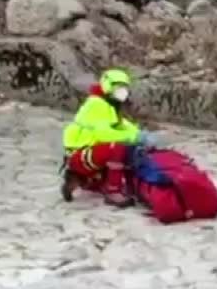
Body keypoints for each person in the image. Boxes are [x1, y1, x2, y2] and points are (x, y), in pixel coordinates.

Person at [61, 68, 159, 208]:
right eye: (119, 87)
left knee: (126, 149)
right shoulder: (97, 105)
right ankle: (113, 192)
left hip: (89, 151)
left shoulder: (109, 105)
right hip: (79, 153)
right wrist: (135, 136)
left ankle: (83, 180)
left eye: (125, 87)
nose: (123, 91)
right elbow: (104, 134)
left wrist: (140, 133)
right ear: (108, 86)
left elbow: (121, 124)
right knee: (116, 148)